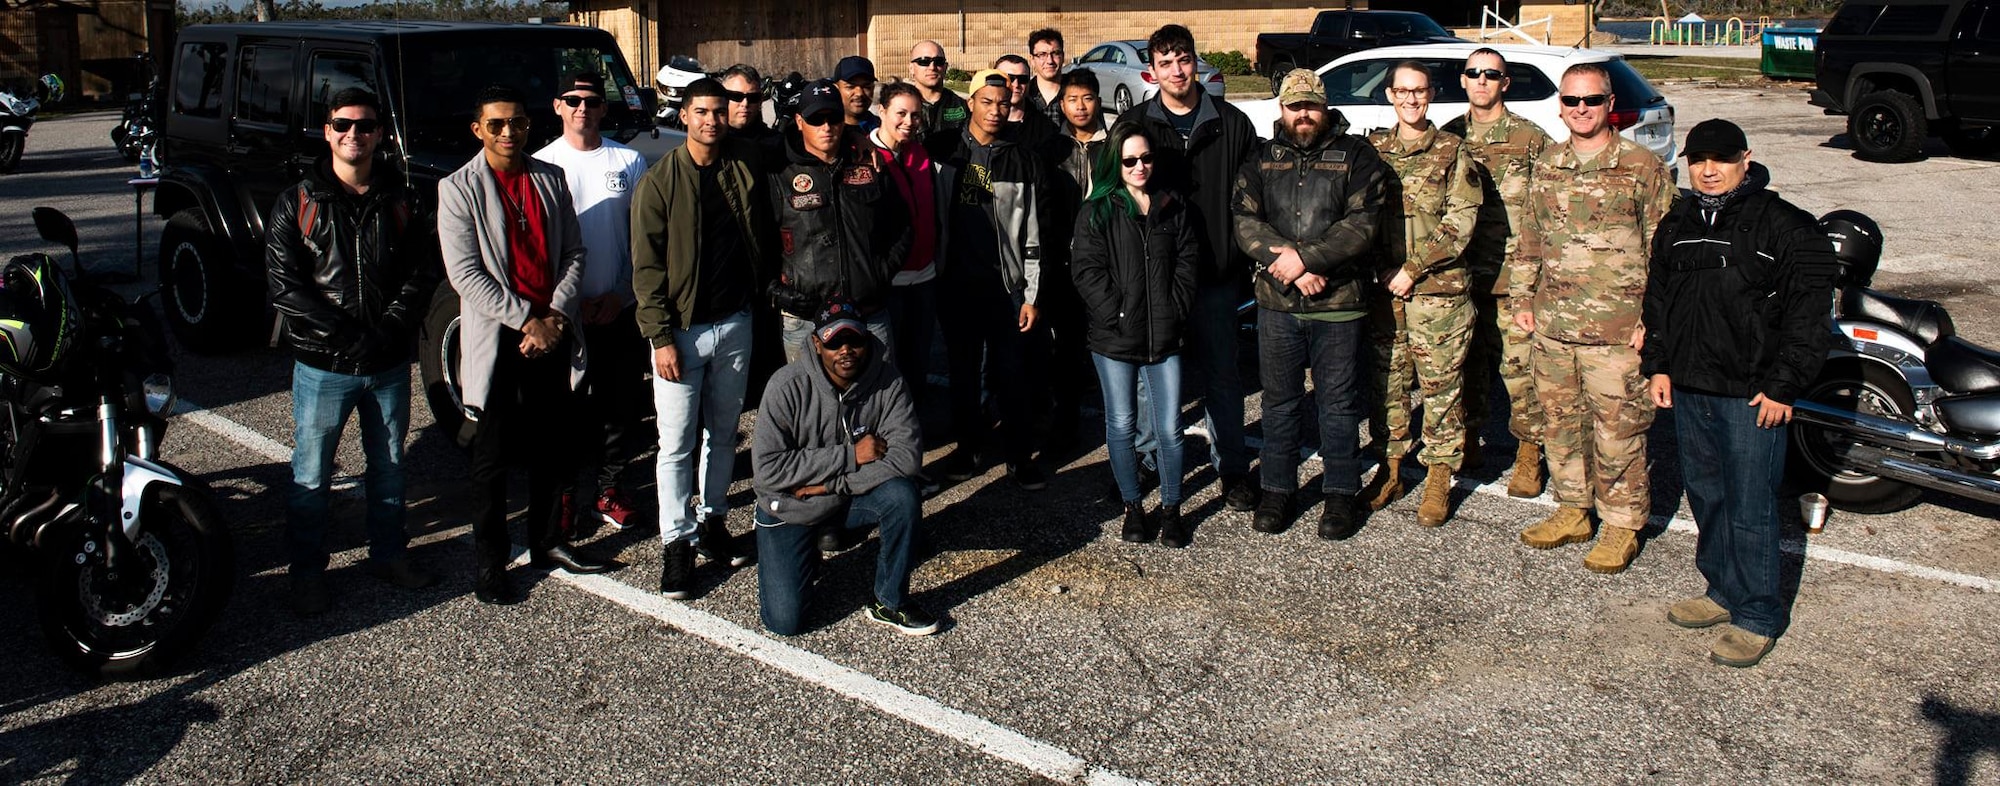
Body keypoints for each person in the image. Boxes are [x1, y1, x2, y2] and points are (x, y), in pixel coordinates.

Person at [1642, 119, 1837, 667]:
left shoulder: (1785, 226)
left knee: (1751, 504)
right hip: (1690, 387)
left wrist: (1784, 385)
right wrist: (1658, 365)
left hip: (1753, 396)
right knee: (1708, 494)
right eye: (1698, 159)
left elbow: (1809, 316)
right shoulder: (1677, 221)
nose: (1708, 170)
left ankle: (1757, 613)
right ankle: (1722, 591)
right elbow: (1659, 299)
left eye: (1721, 160)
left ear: (1745, 160)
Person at [265, 87, 442, 615]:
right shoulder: (297, 201)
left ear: (380, 135)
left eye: (365, 126)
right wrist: (345, 337)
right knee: (311, 473)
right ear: (327, 131)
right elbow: (285, 285)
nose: (353, 135)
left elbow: (422, 272)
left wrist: (387, 329)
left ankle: (388, 554)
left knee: (388, 468)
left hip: (386, 363)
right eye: (343, 124)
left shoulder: (403, 200)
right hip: (324, 366)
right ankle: (306, 573)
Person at [439, 85, 615, 605]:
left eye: (516, 122)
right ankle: (491, 561)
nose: (509, 132)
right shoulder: (459, 188)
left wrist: (555, 314)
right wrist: (526, 321)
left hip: (553, 332)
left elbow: (574, 253)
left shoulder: (549, 178)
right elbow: (465, 274)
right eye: (496, 124)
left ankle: (546, 543)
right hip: (502, 340)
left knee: (553, 446)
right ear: (478, 130)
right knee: (490, 456)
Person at [1511, 63, 1675, 574]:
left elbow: (1664, 252)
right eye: (1572, 101)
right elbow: (1530, 240)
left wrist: (1655, 321)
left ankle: (1623, 524)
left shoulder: (1641, 166)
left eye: (1592, 100)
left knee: (1618, 430)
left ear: (1610, 105)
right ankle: (1573, 508)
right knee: (1561, 424)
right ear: (1560, 106)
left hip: (1618, 331)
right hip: (1554, 325)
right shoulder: (1549, 164)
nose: (1581, 110)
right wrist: (1522, 300)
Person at [630, 77, 775, 598]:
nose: (712, 120)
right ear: (684, 116)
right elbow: (645, 269)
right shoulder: (660, 182)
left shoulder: (743, 163)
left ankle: (713, 521)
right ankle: (677, 542)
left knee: (723, 431)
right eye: (702, 112)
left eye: (720, 110)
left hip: (735, 321)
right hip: (682, 332)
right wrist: (659, 337)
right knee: (675, 445)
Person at [1233, 69, 1388, 540]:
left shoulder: (1358, 156)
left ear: (1325, 107)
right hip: (1278, 302)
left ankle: (1340, 494)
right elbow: (1244, 220)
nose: (1303, 115)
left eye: (1311, 106)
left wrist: (1307, 259)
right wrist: (1291, 266)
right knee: (1279, 402)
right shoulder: (1260, 159)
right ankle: (1278, 489)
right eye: (1294, 106)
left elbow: (1361, 224)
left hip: (1338, 302)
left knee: (1338, 405)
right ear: (1280, 109)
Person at [1114, 24, 1261, 513]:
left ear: (1195, 62)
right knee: (1152, 379)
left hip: (1217, 277)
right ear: (1151, 72)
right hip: (1155, 279)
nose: (1177, 70)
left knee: (1222, 376)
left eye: (1184, 59)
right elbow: (1116, 201)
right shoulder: (1135, 127)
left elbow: (1253, 201)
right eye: (1166, 62)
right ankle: (1151, 459)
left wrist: (1246, 260)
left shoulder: (1232, 123)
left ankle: (1233, 470)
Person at [751, 298, 938, 637]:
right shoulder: (785, 386)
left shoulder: (888, 381)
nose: (846, 350)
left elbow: (906, 457)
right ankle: (802, 549)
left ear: (867, 340)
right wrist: (851, 455)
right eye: (834, 342)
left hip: (836, 496)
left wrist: (828, 486)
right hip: (791, 506)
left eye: (854, 340)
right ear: (816, 343)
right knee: (784, 623)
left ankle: (889, 601)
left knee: (902, 495)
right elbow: (767, 471)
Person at [1362, 61, 1484, 528]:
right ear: (1390, 95)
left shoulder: (1454, 152)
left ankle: (1438, 477)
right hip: (1385, 293)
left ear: (1431, 94)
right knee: (1387, 385)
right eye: (1402, 91)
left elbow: (1461, 223)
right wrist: (1383, 269)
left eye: (1419, 91)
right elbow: (1358, 217)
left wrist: (1412, 269)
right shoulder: (1373, 151)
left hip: (1438, 295)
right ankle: (1390, 468)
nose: (1411, 99)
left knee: (1440, 389)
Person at [531, 71, 653, 537]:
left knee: (619, 409)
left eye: (592, 100)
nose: (582, 107)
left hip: (618, 309)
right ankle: (564, 497)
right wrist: (567, 304)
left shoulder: (629, 160)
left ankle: (610, 490)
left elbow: (642, 240)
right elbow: (541, 247)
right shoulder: (542, 164)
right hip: (565, 316)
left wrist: (621, 293)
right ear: (558, 106)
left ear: (604, 108)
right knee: (565, 414)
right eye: (572, 99)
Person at [1071, 124, 1198, 545]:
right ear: (1114, 163)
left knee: (1169, 428)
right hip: (1114, 339)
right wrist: (1118, 313)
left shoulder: (1172, 205)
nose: (1140, 166)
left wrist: (1174, 309)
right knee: (1122, 424)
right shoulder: (1098, 210)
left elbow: (1187, 262)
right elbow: (1087, 272)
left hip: (1165, 337)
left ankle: (1172, 508)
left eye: (1145, 158)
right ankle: (1132, 506)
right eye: (1129, 160)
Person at [928, 69, 1048, 490]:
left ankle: (1019, 457)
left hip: (1007, 290)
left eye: (1003, 102)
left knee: (1013, 374)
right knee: (963, 375)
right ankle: (968, 449)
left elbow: (1033, 233)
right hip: (956, 286)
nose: (996, 110)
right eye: (987, 101)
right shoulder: (942, 150)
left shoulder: (1022, 158)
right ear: (971, 103)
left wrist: (1031, 293)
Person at [1442, 48, 1552, 497]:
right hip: (1461, 274)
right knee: (1465, 366)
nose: (1482, 80)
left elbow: (1548, 207)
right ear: (1463, 81)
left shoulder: (1530, 138)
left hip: (1512, 276)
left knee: (1520, 371)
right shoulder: (1449, 135)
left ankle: (1529, 453)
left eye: (1492, 74)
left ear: (1505, 83)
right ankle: (1469, 440)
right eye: (1474, 73)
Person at [768, 79, 912, 362]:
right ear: (799, 121)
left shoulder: (869, 164)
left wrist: (879, 274)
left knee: (877, 398)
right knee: (810, 401)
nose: (826, 126)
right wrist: (778, 291)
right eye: (815, 119)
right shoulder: (777, 171)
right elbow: (760, 241)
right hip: (805, 319)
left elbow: (902, 226)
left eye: (833, 117)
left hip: (868, 312)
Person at [1033, 68, 1109, 458]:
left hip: (1106, 266)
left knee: (1105, 346)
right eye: (1072, 100)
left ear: (1099, 99)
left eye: (1088, 98)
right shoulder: (1050, 151)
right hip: (1061, 265)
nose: (1081, 107)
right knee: (1063, 349)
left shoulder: (1114, 146)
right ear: (1061, 104)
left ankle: (1121, 428)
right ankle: (1065, 428)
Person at [868, 81, 949, 399]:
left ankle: (915, 426)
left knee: (918, 360)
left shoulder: (920, 153)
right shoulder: (866, 156)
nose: (908, 122)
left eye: (916, 115)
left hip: (925, 276)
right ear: (881, 111)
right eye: (900, 113)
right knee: (888, 363)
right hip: (890, 281)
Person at [908, 41, 968, 139]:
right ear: (911, 68)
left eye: (938, 61)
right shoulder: (902, 106)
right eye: (924, 62)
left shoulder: (961, 106)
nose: (932, 67)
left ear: (945, 67)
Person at [995, 53, 1058, 145]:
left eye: (1022, 79)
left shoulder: (1043, 127)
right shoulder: (979, 122)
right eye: (1009, 78)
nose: (1016, 85)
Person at [1025, 28, 1067, 128]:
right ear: (1032, 59)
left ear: (1063, 56)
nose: (1050, 61)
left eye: (1055, 53)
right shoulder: (1025, 96)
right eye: (1042, 55)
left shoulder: (1077, 93)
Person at [834, 55, 880, 135]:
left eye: (866, 87)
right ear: (836, 89)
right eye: (850, 87)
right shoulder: (827, 131)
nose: (859, 93)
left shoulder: (884, 129)